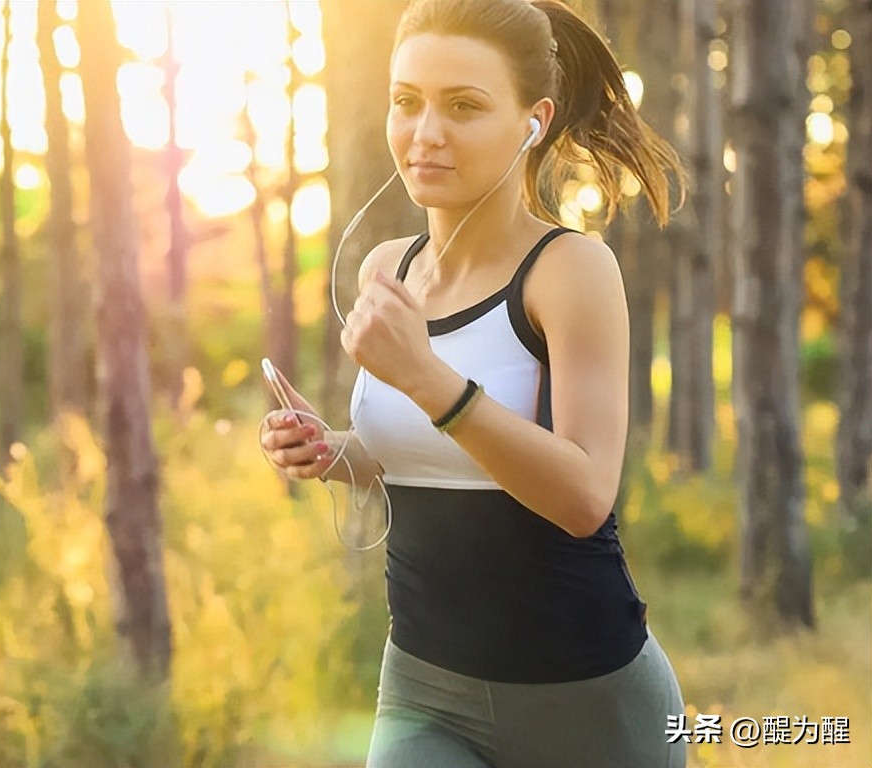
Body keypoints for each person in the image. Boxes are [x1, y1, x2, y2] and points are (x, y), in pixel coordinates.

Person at [260, 0, 689, 765]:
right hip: (425, 690)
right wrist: (333, 451)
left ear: (534, 119)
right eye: (406, 102)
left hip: (587, 701)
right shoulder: (385, 268)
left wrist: (427, 378)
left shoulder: (569, 271)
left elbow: (585, 496)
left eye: (463, 106)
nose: (425, 134)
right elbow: (422, 454)